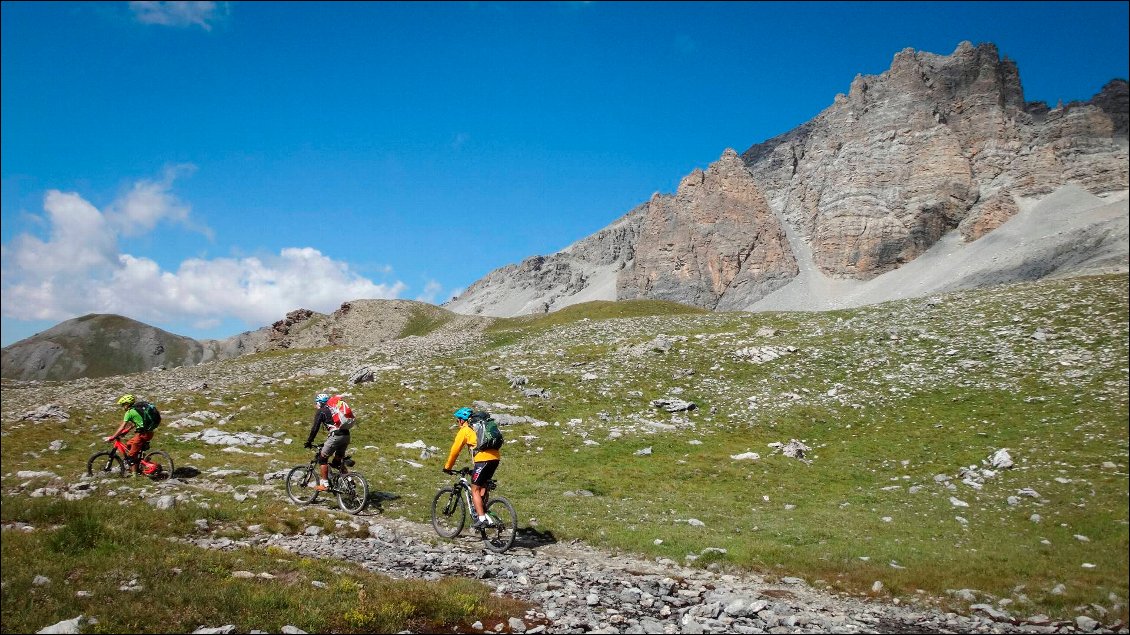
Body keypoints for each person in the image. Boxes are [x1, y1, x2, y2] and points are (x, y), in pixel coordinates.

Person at [442, 407, 501, 528]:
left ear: (462, 420)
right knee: (482, 486)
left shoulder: (465, 430)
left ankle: (481, 519)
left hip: (482, 460)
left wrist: (448, 467)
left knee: (474, 489)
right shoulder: (478, 428)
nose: (457, 423)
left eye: (457, 420)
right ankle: (483, 511)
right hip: (495, 458)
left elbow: (455, 451)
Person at [303, 392, 350, 491]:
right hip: (346, 435)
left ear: (320, 403)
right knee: (337, 462)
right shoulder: (334, 409)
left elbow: (315, 428)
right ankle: (350, 481)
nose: (316, 405)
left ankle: (325, 484)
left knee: (322, 459)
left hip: (336, 436)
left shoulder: (321, 411)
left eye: (316, 403)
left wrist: (309, 441)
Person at [105, 394, 154, 476]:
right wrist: (126, 431)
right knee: (128, 444)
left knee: (131, 456)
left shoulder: (129, 412)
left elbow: (121, 427)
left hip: (142, 434)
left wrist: (113, 437)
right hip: (149, 433)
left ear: (127, 404)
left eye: (123, 405)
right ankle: (141, 460)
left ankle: (134, 475)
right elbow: (135, 423)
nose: (122, 407)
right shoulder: (138, 410)